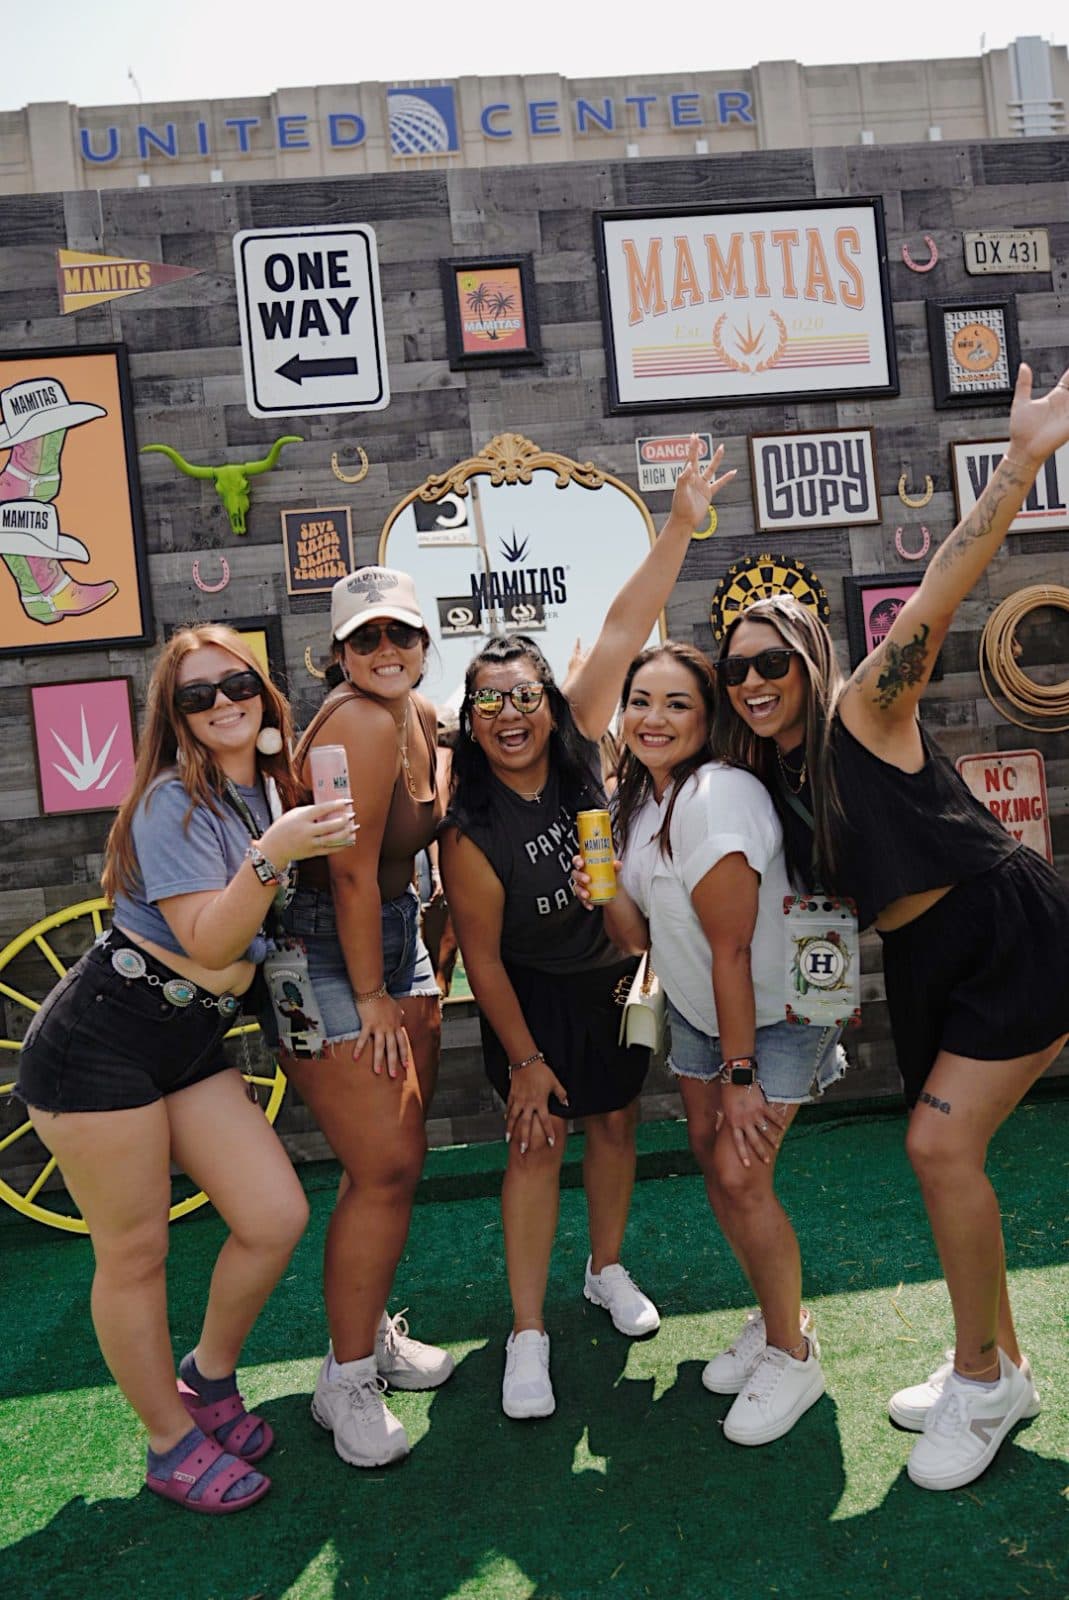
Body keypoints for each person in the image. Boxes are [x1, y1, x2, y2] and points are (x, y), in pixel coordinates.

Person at [713, 360, 1069, 1491]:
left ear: (810, 657)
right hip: (923, 959)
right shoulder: (763, 786)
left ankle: (981, 1378)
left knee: (935, 1147)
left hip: (1006, 927)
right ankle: (997, 1362)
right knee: (944, 1156)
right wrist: (793, 1057)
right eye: (737, 671)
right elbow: (818, 926)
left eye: (773, 660)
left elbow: (945, 584)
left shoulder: (865, 706)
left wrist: (1019, 461)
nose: (756, 681)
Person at [15, 623, 354, 1514]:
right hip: (100, 1042)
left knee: (274, 1215)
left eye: (234, 682)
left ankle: (205, 1378)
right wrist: (274, 851)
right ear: (176, 716)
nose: (222, 703)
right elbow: (209, 936)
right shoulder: (176, 801)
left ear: (262, 688)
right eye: (197, 695)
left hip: (188, 1040)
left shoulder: (266, 790)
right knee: (135, 1252)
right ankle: (169, 1441)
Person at [440, 437, 735, 1419]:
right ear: (470, 719)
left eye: (526, 694)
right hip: (528, 1003)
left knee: (614, 1122)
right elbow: (480, 957)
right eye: (491, 702)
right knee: (534, 1143)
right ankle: (526, 1334)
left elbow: (621, 622)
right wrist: (520, 1061)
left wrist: (682, 522)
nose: (512, 713)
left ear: (546, 700)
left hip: (612, 983)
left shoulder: (577, 747)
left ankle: (604, 1270)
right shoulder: (469, 828)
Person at [576, 641, 843, 1446]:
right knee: (712, 1160)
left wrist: (740, 1075)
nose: (652, 718)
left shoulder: (716, 795)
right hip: (699, 1009)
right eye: (640, 701)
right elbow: (639, 937)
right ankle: (774, 1320)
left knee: (738, 1173)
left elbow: (731, 947)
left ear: (709, 718)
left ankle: (794, 1353)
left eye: (676, 703)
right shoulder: (643, 799)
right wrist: (601, 876)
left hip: (770, 1017)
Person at [277, 566, 452, 1470]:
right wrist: (374, 991)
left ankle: (367, 1334)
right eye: (365, 639)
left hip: (393, 935)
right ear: (337, 654)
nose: (386, 652)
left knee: (387, 1164)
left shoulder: (416, 718)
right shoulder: (355, 719)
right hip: (326, 949)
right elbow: (345, 872)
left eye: (401, 636)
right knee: (383, 1164)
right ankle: (344, 1378)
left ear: (424, 645)